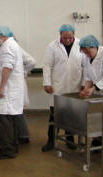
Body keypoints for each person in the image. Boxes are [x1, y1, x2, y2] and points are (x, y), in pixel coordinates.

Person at [0, 36, 36, 144]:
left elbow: (30, 62)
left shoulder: (11, 47)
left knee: (14, 113)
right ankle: (19, 137)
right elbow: (2, 61)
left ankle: (22, 137)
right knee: (15, 112)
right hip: (13, 84)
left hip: (12, 85)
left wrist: (23, 72)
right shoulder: (9, 48)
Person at [42, 24, 85, 152]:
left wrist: (84, 83)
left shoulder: (80, 44)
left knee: (71, 115)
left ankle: (70, 140)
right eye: (65, 38)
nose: (67, 40)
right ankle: (51, 141)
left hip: (74, 85)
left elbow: (85, 66)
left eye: (70, 38)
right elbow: (47, 65)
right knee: (54, 115)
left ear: (74, 35)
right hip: (58, 86)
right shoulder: (52, 46)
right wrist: (47, 83)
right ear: (60, 35)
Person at [0, 26, 24, 159]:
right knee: (10, 121)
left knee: (4, 122)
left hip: (6, 91)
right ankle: (13, 147)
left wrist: (1, 87)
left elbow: (7, 67)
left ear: (1, 36)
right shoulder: (12, 45)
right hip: (11, 91)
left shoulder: (8, 46)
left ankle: (7, 151)